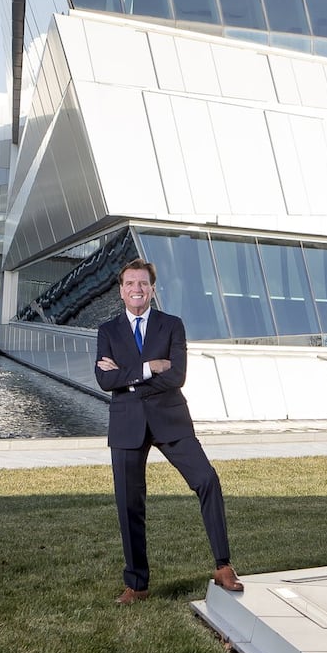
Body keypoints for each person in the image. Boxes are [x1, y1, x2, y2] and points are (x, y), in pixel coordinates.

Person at [95, 257, 243, 603]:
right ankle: (137, 584)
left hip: (170, 421)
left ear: (152, 289)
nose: (136, 289)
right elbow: (104, 379)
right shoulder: (108, 331)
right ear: (121, 291)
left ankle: (223, 566)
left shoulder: (171, 325)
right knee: (129, 504)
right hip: (127, 425)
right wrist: (149, 367)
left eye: (143, 284)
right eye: (130, 283)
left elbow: (177, 376)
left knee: (207, 480)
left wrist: (128, 377)